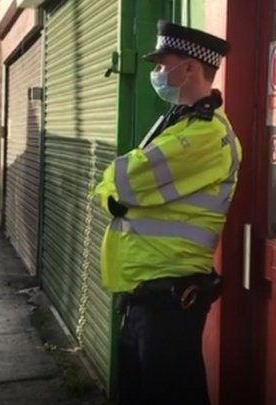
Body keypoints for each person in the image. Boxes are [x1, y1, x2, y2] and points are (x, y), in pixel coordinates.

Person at [92, 20, 242, 405]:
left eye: (163, 64)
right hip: (148, 295)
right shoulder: (179, 125)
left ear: (190, 67)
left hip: (169, 300)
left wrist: (114, 186)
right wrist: (114, 186)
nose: (157, 73)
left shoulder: (204, 135)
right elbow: (118, 179)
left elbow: (122, 178)